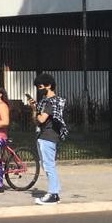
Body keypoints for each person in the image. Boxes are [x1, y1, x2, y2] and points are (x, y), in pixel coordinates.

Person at [30, 73, 66, 205]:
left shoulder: (51, 102)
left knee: (49, 165)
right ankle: (54, 192)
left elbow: (41, 119)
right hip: (44, 136)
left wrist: (35, 109)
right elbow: (36, 121)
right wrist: (34, 109)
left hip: (48, 137)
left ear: (48, 85)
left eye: (40, 86)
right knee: (47, 165)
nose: (39, 89)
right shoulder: (46, 102)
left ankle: (53, 194)